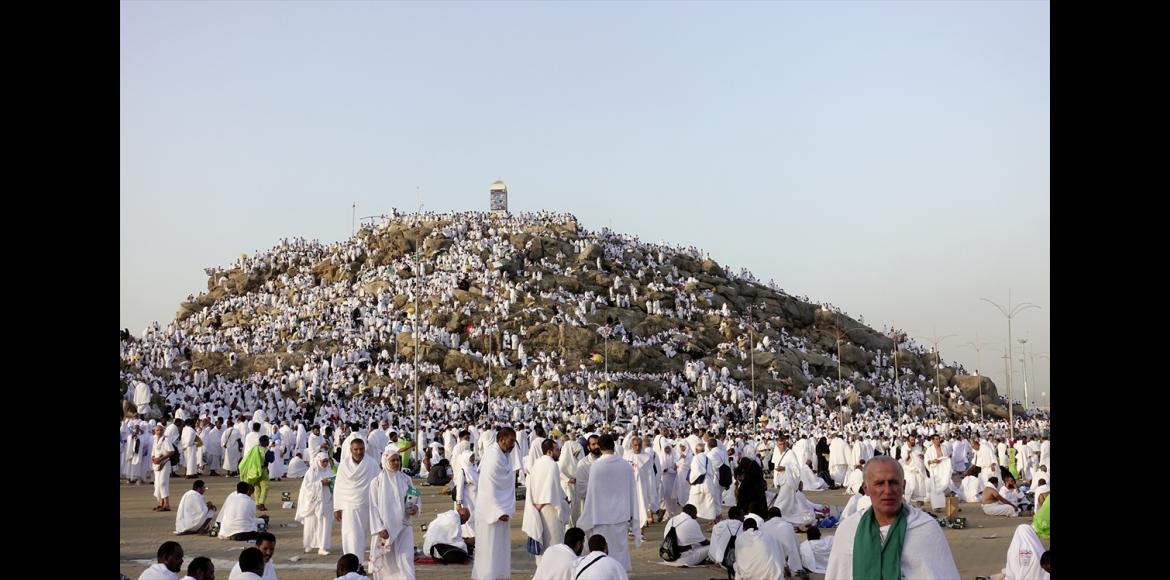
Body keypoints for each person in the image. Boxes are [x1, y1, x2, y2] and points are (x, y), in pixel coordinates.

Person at [824, 455, 960, 579]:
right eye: (879, 484)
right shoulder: (849, 529)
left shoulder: (926, 528)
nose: (887, 491)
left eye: (893, 482)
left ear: (903, 486)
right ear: (866, 489)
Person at [576, 434, 640, 571]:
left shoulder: (596, 466)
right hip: (621, 516)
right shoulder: (625, 465)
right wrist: (632, 513)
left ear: (600, 446)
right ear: (613, 446)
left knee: (603, 552)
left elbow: (592, 494)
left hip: (601, 517)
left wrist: (588, 515)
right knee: (620, 550)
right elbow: (632, 491)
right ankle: (620, 575)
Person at [471, 426, 517, 580]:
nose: (513, 445)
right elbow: (489, 487)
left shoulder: (505, 456)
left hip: (503, 510)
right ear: (502, 440)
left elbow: (506, 484)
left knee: (500, 549)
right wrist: (498, 511)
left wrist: (506, 508)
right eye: (511, 441)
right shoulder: (492, 456)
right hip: (491, 512)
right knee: (489, 549)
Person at [368, 449, 418, 580]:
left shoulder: (406, 479)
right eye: (393, 460)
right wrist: (379, 528)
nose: (396, 463)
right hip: (386, 528)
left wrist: (416, 508)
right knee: (388, 562)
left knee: (406, 557)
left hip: (404, 525)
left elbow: (415, 498)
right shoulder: (376, 482)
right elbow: (373, 507)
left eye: (398, 460)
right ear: (385, 461)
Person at [523, 438, 569, 565]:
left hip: (539, 508)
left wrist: (537, 506)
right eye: (557, 450)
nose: (559, 452)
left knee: (543, 543)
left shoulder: (536, 464)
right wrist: (542, 504)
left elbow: (548, 486)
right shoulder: (552, 465)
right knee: (554, 543)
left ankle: (542, 571)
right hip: (550, 508)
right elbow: (550, 489)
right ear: (549, 451)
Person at [334, 438, 379, 562]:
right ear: (351, 450)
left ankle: (359, 562)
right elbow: (338, 486)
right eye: (356, 449)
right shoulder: (344, 465)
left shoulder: (372, 463)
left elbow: (379, 484)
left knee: (362, 536)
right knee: (351, 536)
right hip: (349, 506)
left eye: (361, 449)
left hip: (367, 504)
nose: (359, 452)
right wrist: (337, 507)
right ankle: (353, 564)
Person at [295, 451, 334, 555]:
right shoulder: (311, 472)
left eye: (327, 461)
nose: (325, 463)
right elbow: (306, 487)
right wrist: (320, 483)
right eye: (323, 461)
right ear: (318, 461)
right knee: (311, 524)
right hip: (313, 503)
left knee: (325, 525)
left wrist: (331, 482)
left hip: (326, 502)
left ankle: (322, 547)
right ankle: (309, 544)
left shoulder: (329, 471)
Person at [238, 435, 272, 511]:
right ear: (265, 442)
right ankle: (261, 503)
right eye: (267, 441)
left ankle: (257, 503)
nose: (268, 442)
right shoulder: (266, 450)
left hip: (254, 471)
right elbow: (271, 459)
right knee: (265, 487)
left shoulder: (254, 449)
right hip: (263, 470)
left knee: (257, 487)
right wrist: (271, 452)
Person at [152, 423, 177, 512]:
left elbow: (171, 452)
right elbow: (153, 452)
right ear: (155, 431)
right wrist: (154, 459)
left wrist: (160, 459)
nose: (159, 432)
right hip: (157, 465)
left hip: (165, 463)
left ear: (163, 431)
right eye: (157, 430)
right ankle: (161, 503)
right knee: (157, 484)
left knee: (163, 483)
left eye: (161, 430)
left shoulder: (166, 439)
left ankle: (167, 504)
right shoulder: (155, 440)